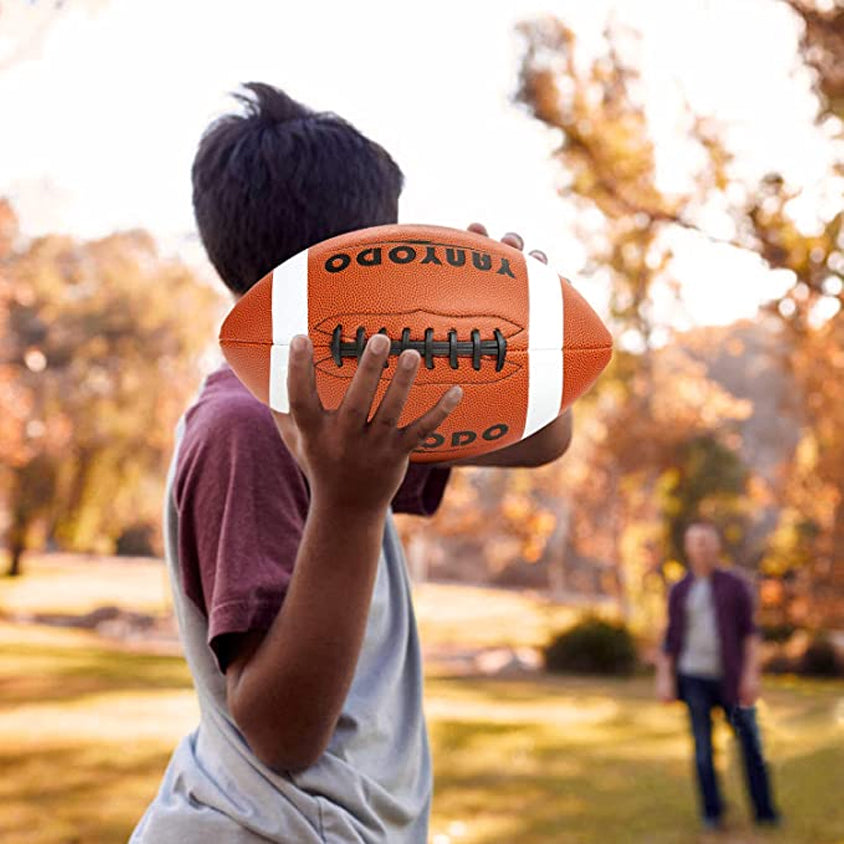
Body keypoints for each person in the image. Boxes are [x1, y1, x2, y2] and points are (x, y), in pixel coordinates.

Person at [130, 83, 573, 843]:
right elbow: (279, 734)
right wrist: (353, 504)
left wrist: (518, 343)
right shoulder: (241, 424)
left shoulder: (356, 399)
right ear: (352, 266)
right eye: (389, 250)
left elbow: (540, 442)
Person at [655, 521, 781, 832]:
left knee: (750, 745)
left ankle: (765, 812)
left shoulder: (735, 585)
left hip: (731, 681)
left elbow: (751, 635)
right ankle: (712, 813)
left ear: (716, 546)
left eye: (707, 541)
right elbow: (669, 638)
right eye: (696, 541)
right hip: (693, 678)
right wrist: (665, 677)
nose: (702, 547)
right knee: (702, 750)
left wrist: (751, 676)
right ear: (688, 547)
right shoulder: (680, 589)